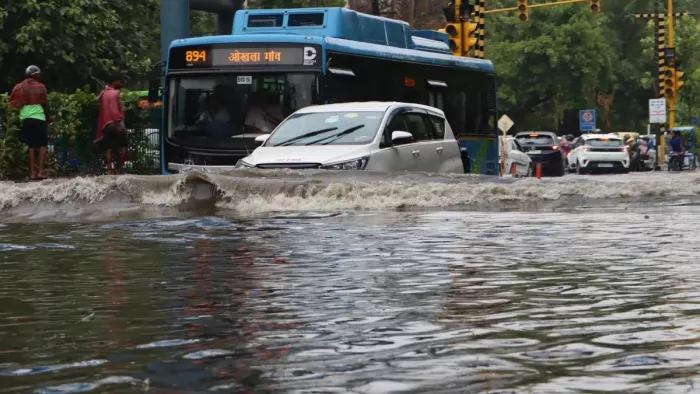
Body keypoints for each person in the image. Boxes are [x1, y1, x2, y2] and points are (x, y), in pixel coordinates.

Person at [9, 65, 51, 180]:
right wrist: (49, 117)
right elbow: (45, 104)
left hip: (25, 118)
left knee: (31, 146)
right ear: (35, 75)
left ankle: (32, 173)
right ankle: (41, 171)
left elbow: (12, 103)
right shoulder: (41, 87)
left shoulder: (18, 87)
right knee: (42, 145)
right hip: (39, 117)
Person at [95, 76, 127, 175]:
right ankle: (120, 169)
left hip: (106, 124)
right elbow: (118, 108)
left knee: (109, 148)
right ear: (115, 81)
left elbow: (98, 101)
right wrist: (120, 121)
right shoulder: (116, 93)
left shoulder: (103, 93)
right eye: (120, 81)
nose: (122, 84)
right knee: (123, 145)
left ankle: (109, 170)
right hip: (116, 122)